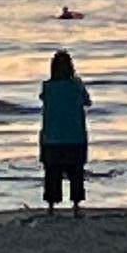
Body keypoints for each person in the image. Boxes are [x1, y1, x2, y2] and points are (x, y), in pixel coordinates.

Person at [39, 48, 91, 213]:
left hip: (52, 137)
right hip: (75, 137)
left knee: (52, 173)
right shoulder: (76, 85)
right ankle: (76, 205)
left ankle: (51, 206)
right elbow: (87, 102)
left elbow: (44, 100)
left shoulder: (47, 87)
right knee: (76, 172)